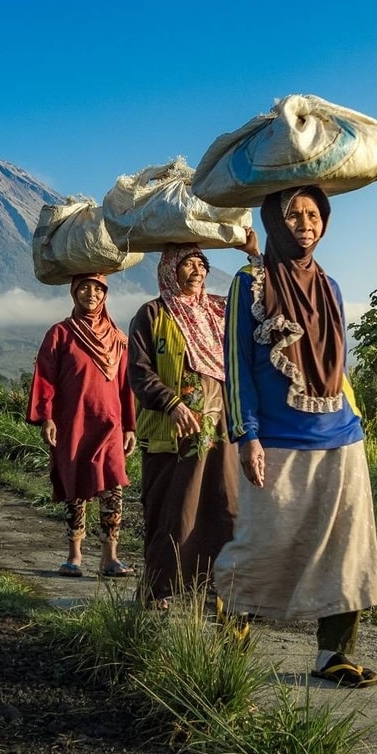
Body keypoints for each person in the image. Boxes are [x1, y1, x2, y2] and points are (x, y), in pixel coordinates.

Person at [214, 185, 377, 688]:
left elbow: (337, 365)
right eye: (293, 215)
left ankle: (334, 654)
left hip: (340, 436)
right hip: (279, 439)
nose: (305, 223)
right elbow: (237, 365)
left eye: (314, 214)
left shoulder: (330, 286)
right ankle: (230, 647)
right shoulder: (251, 283)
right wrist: (247, 435)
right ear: (273, 222)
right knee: (262, 545)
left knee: (345, 550)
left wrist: (354, 422)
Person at [126, 236, 255, 608]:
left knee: (223, 505)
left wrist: (254, 255)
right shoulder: (152, 314)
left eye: (201, 264)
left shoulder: (219, 310)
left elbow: (262, 303)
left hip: (219, 431)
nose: (197, 270)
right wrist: (171, 403)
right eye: (187, 263)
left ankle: (220, 587)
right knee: (171, 510)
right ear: (169, 269)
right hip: (172, 434)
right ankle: (158, 591)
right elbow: (139, 371)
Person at [27, 273, 137, 578]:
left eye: (98, 289)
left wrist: (130, 425)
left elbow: (126, 384)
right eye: (85, 288)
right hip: (72, 421)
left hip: (110, 422)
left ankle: (110, 558)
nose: (92, 294)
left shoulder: (117, 338)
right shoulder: (60, 333)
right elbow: (45, 377)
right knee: (75, 486)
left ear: (105, 294)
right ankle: (73, 556)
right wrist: (46, 417)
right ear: (74, 293)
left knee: (112, 486)